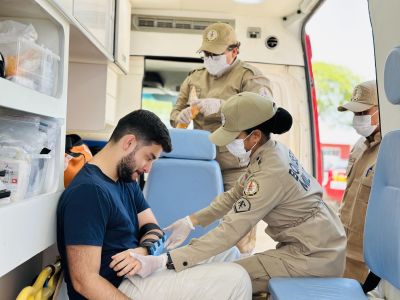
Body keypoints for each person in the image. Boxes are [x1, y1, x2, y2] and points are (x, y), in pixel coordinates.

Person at [132, 92, 347, 296]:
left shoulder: (271, 171)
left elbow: (230, 231)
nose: (228, 143)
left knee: (227, 280)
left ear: (255, 136)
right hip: (315, 243)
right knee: (227, 273)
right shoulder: (270, 152)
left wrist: (167, 260)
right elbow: (233, 196)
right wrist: (191, 221)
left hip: (314, 255)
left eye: (234, 136)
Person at [57, 110, 251, 300]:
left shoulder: (126, 181)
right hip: (119, 287)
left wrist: (144, 251)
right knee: (237, 279)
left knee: (228, 255)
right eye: (149, 157)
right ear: (129, 142)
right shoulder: (89, 192)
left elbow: (154, 229)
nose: (147, 168)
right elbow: (84, 281)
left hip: (141, 271)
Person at [170, 22, 272, 254]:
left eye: (214, 54)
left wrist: (222, 106)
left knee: (237, 232)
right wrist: (182, 115)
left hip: (236, 167)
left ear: (234, 51)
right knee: (196, 227)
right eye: (205, 54)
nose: (209, 59)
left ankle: (243, 278)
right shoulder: (194, 78)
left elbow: (265, 113)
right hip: (201, 165)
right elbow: (174, 115)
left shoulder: (250, 78)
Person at [337, 80, 381, 283]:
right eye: (355, 114)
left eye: (364, 113)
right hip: (342, 251)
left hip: (368, 264)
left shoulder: (390, 151)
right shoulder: (358, 146)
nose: (358, 119)